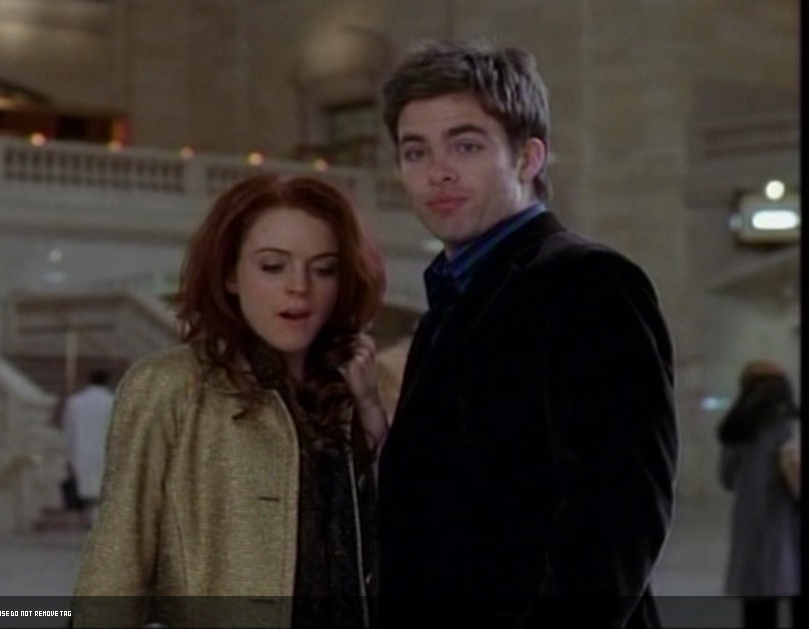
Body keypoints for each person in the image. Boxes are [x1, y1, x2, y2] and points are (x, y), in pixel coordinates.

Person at [376, 40, 679, 627]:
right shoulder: (451, 300)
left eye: (466, 145)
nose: (437, 171)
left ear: (528, 157)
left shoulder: (587, 282)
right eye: (415, 151)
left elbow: (616, 520)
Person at [72, 173, 387, 628]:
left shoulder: (347, 390)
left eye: (323, 269)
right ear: (230, 274)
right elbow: (116, 565)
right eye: (273, 266)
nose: (299, 286)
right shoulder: (172, 386)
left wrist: (372, 421)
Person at [717, 360, 800, 629]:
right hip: (792, 528)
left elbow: (727, 478)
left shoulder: (736, 430)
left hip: (752, 530)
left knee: (758, 610)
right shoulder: (792, 425)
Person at [61, 368, 115, 527]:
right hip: (105, 452)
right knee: (102, 490)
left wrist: (68, 455)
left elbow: (69, 431)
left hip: (81, 452)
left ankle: (89, 521)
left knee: (86, 490)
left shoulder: (75, 402)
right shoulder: (113, 402)